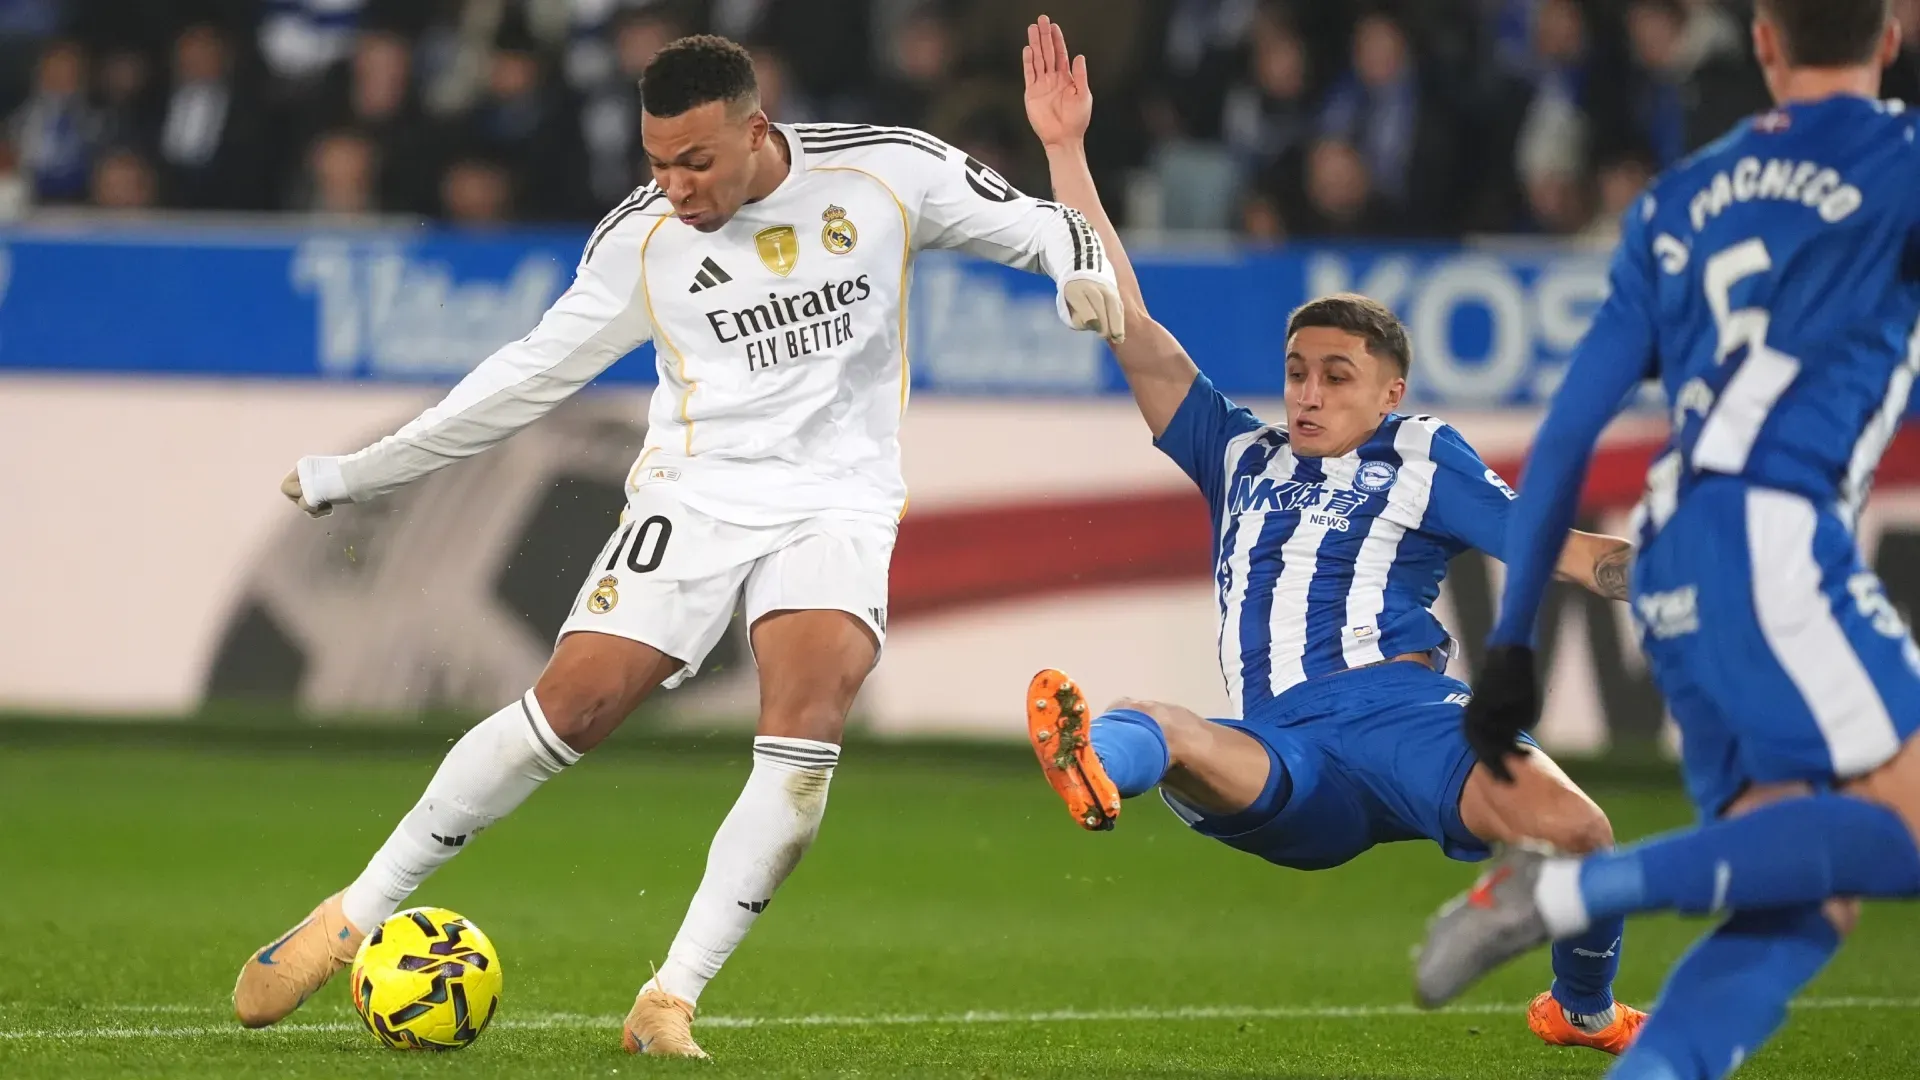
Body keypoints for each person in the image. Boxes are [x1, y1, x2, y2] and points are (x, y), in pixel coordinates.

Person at [235, 33, 1123, 1059]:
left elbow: (1047, 225)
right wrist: (361, 472)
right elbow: (526, 376)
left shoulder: (887, 170)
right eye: (656, 163)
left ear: (756, 130)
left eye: (695, 163)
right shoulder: (641, 241)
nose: (676, 187)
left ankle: (670, 999)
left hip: (837, 499)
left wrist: (1076, 274)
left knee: (807, 728)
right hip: (695, 496)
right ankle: (354, 913)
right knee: (575, 703)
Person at [1017, 17, 1646, 1055]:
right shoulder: (1241, 454)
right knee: (1161, 725)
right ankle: (1095, 765)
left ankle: (1581, 1012)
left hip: (1412, 719)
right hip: (1289, 748)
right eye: (1297, 371)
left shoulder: (1419, 457)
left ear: (1391, 390)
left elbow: (1555, 544)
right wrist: (1067, 152)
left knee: (1584, 833)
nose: (1306, 393)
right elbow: (1131, 328)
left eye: (1336, 376)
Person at [1415, 3, 1920, 1077]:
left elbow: (1565, 434)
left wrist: (1512, 646)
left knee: (1803, 899)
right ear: (1891, 41)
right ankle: (1570, 889)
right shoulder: (1899, 160)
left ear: (1765, 44)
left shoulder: (1673, 203)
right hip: (1777, 535)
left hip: (1672, 560)